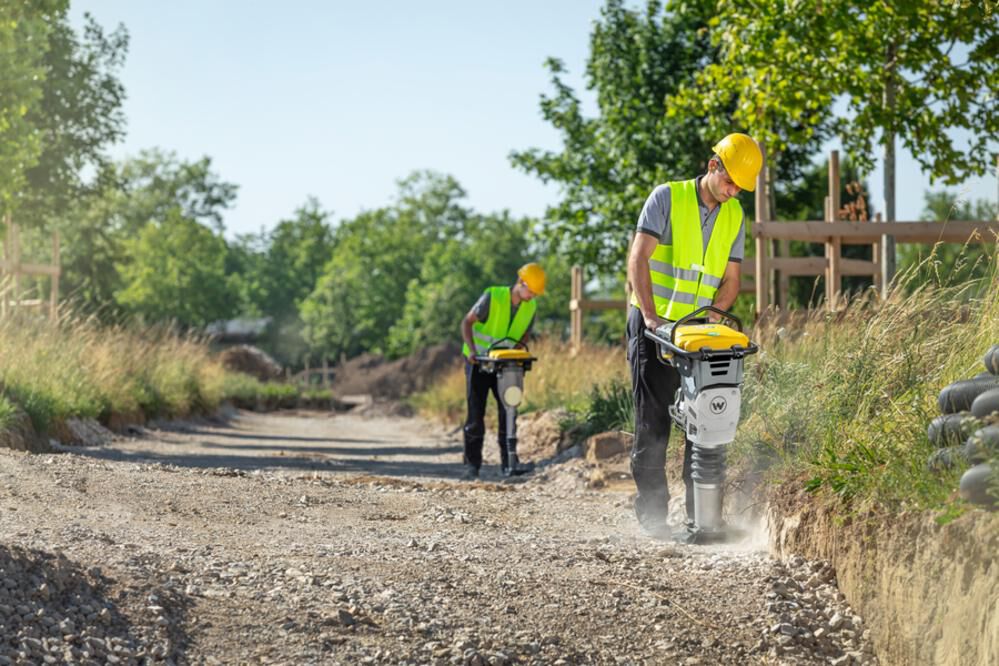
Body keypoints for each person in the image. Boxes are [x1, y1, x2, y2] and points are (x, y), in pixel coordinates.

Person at [625, 133, 762, 537]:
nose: (733, 190)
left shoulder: (734, 215)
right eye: (730, 181)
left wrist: (712, 323)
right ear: (712, 165)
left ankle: (698, 519)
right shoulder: (666, 198)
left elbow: (732, 279)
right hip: (654, 326)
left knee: (703, 422)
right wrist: (651, 319)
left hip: (697, 338)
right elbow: (639, 259)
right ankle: (652, 520)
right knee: (653, 424)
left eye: (740, 187)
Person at [460, 263, 546, 480]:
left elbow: (525, 334)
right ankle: (472, 466)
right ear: (521, 283)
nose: (532, 296)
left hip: (506, 364)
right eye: (531, 291)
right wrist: (471, 351)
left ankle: (509, 463)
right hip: (478, 362)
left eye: (536, 293)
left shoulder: (530, 306)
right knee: (475, 414)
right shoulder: (493, 296)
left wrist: (516, 351)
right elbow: (467, 323)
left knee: (508, 411)